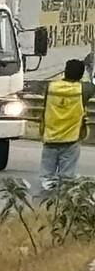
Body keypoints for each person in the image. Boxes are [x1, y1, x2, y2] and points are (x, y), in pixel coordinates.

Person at [39, 58, 90, 190]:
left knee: (47, 178)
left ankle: (45, 205)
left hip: (50, 137)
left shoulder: (50, 86)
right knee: (67, 179)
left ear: (65, 71)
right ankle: (62, 205)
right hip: (71, 139)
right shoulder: (84, 89)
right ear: (81, 74)